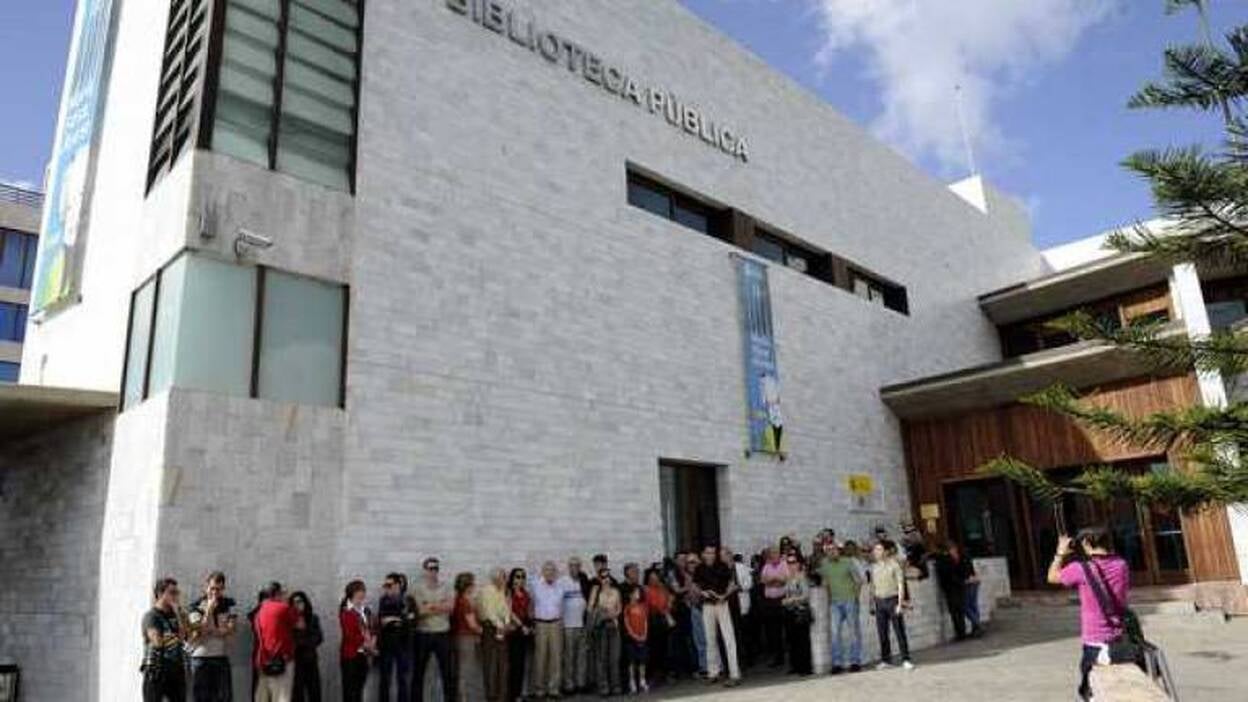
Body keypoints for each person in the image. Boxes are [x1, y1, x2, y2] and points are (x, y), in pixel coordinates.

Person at [1049, 527, 1131, 701]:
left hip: (1096, 640)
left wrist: (1060, 553)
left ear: (1086, 543)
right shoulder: (1121, 564)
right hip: (1121, 637)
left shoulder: (1080, 569)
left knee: (1093, 693)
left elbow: (1052, 577)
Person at [693, 545, 742, 687]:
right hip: (707, 605)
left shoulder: (722, 566)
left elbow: (732, 584)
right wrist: (703, 593)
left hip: (722, 604)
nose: (711, 555)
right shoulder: (699, 568)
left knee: (729, 638)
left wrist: (724, 595)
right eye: (708, 553)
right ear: (703, 554)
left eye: (713, 553)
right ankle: (713, 672)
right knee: (710, 639)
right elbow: (695, 585)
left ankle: (734, 674)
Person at [187, 571, 236, 702]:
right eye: (212, 588)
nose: (215, 593)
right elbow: (199, 631)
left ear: (223, 589)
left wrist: (212, 630)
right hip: (201, 659)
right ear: (206, 587)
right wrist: (208, 610)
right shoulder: (195, 606)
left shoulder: (228, 604)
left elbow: (231, 630)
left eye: (218, 589)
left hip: (221, 657)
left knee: (224, 698)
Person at [413, 557, 457, 702]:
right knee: (419, 672)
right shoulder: (417, 588)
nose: (433, 571)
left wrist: (430, 605)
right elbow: (420, 611)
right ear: (425, 570)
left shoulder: (446, 586)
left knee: (448, 672)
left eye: (436, 568)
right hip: (423, 633)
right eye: (430, 568)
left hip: (442, 633)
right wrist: (440, 605)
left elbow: (451, 608)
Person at [817, 541, 864, 674]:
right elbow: (825, 583)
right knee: (835, 633)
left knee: (853, 631)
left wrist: (855, 597)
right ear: (826, 552)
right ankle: (837, 663)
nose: (832, 552)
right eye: (829, 550)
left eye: (834, 549)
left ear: (839, 550)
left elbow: (859, 580)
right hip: (834, 603)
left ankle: (855, 661)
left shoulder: (848, 562)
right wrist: (829, 599)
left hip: (849, 600)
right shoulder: (825, 564)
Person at [254, 581, 303, 702]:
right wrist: (296, 609)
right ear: (278, 593)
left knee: (263, 697)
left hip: (264, 659)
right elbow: (301, 625)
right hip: (282, 659)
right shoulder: (284, 608)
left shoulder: (259, 611)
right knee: (282, 697)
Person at [869, 541, 913, 670]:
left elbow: (900, 584)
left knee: (899, 631)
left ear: (886, 551)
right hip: (879, 601)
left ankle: (905, 659)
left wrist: (900, 603)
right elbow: (872, 586)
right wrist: (871, 603)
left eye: (879, 549)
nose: (876, 552)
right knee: (882, 632)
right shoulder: (874, 567)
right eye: (875, 550)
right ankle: (886, 660)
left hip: (892, 600)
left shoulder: (894, 565)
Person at [142, 577, 187, 702]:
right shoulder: (151, 616)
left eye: (177, 593)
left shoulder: (176, 615)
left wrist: (178, 613)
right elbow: (157, 642)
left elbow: (183, 637)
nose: (176, 596)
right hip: (157, 670)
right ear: (161, 594)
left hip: (176, 669)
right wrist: (175, 638)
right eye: (172, 592)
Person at [478, 568, 514, 702]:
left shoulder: (503, 591)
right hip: (490, 629)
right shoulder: (487, 591)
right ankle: (491, 696)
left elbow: (506, 609)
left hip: (502, 629)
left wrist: (507, 623)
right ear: (494, 579)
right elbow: (489, 612)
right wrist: (501, 626)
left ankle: (502, 697)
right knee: (491, 665)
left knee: (503, 665)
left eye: (504, 577)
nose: (503, 580)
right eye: (501, 578)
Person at [531, 561, 565, 698]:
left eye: (552, 570)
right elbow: (530, 605)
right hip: (541, 625)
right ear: (543, 572)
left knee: (556, 657)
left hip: (556, 624)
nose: (550, 573)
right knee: (540, 657)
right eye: (547, 570)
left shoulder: (560, 587)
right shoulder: (535, 586)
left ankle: (554, 689)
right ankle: (539, 689)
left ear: (556, 573)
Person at [588, 566, 623, 696]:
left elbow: (619, 607)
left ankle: (616, 685)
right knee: (602, 658)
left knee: (614, 657)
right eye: (603, 577)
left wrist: (613, 614)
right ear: (599, 579)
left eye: (608, 576)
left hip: (613, 625)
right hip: (601, 627)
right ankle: (604, 686)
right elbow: (590, 609)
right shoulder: (596, 591)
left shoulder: (615, 591)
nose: (606, 579)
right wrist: (602, 611)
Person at [376, 573, 411, 702]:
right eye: (385, 585)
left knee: (403, 678)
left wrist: (395, 619)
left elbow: (411, 619)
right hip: (387, 643)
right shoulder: (383, 600)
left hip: (403, 642)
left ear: (397, 585)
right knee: (385, 678)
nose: (387, 588)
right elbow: (382, 620)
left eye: (389, 585)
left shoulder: (407, 600)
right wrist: (397, 619)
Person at [558, 557, 591, 696]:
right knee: (569, 657)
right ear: (568, 567)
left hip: (582, 624)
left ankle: (581, 683)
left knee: (582, 656)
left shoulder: (584, 581)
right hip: (568, 625)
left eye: (577, 566)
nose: (574, 568)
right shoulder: (562, 582)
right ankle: (568, 685)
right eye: (572, 566)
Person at [339, 580, 376, 702]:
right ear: (352, 593)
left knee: (360, 688)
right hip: (351, 655)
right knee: (350, 690)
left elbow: (373, 627)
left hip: (364, 655)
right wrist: (366, 643)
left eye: (363, 590)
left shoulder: (366, 610)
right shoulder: (346, 611)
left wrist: (373, 640)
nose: (362, 593)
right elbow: (349, 634)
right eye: (359, 590)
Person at [452, 572, 485, 702]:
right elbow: (472, 625)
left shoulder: (459, 599)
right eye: (473, 583)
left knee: (463, 670)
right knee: (465, 671)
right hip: (466, 638)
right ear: (468, 586)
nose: (475, 585)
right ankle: (463, 698)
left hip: (461, 637)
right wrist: (486, 632)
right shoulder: (464, 602)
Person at [930, 542, 970, 641]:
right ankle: (962, 632)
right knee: (958, 611)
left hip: (952, 588)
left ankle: (960, 633)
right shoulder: (952, 559)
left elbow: (948, 574)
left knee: (955, 611)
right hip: (957, 587)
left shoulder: (944, 560)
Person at [505, 567, 534, 701]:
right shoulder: (509, 592)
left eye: (523, 577)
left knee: (522, 664)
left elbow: (529, 611)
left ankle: (519, 694)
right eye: (517, 576)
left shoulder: (525, 593)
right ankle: (512, 695)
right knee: (514, 664)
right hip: (514, 631)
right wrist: (521, 626)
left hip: (524, 631)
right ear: (512, 578)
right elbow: (509, 612)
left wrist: (531, 626)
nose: (520, 579)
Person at [781, 555, 813, 676]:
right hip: (790, 612)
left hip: (800, 611)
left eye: (793, 562)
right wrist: (786, 600)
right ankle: (795, 665)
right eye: (788, 563)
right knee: (792, 640)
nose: (790, 565)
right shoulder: (788, 578)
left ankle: (805, 667)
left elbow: (806, 596)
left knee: (802, 641)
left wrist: (792, 600)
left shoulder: (802, 577)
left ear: (798, 564)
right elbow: (786, 593)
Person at [289, 591, 323, 702]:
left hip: (311, 660)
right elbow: (290, 640)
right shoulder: (289, 620)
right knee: (297, 693)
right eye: (293, 603)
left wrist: (303, 636)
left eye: (299, 602)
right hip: (296, 661)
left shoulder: (313, 618)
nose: (297, 605)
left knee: (315, 691)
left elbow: (318, 638)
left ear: (305, 602)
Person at [643, 569, 674, 686]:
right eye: (652, 578)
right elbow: (649, 605)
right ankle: (653, 674)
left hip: (662, 621)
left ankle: (664, 673)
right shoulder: (646, 590)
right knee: (653, 649)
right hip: (652, 621)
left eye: (656, 577)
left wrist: (668, 605)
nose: (654, 580)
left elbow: (668, 601)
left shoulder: (663, 589)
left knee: (664, 648)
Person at [759, 546, 788, 668]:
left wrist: (773, 581)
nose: (774, 555)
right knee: (772, 631)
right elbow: (763, 580)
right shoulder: (767, 566)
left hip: (781, 600)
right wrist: (775, 580)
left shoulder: (784, 564)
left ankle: (785, 656)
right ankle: (777, 657)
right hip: (769, 602)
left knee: (783, 629)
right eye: (772, 553)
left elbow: (785, 580)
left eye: (776, 553)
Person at [623, 585, 650, 695]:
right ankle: (632, 682)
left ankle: (642, 681)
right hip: (631, 638)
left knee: (642, 661)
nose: (637, 595)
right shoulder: (627, 607)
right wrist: (634, 635)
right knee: (632, 662)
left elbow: (645, 622)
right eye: (635, 593)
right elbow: (627, 623)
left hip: (642, 637)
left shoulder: (642, 607)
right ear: (630, 595)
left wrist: (644, 634)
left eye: (638, 593)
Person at [954, 543, 984, 637]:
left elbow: (965, 573)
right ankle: (976, 627)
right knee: (973, 605)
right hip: (974, 582)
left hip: (969, 583)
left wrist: (965, 580)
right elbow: (972, 571)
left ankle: (977, 625)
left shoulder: (961, 561)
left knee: (966, 606)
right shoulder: (967, 558)